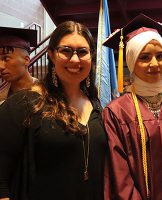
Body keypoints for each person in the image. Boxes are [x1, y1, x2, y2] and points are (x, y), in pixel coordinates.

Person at [0, 21, 107, 200]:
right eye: (66, 50)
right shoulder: (23, 104)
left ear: (91, 56)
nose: (75, 59)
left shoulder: (97, 106)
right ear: (51, 55)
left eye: (82, 52)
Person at [102, 14, 162, 199]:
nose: (154, 64)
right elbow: (119, 176)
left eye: (160, 56)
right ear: (131, 61)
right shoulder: (116, 113)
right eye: (144, 57)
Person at [0, 27, 38, 104]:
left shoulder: (46, 94)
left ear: (26, 60)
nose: (1, 66)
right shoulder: (2, 99)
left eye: (6, 58)